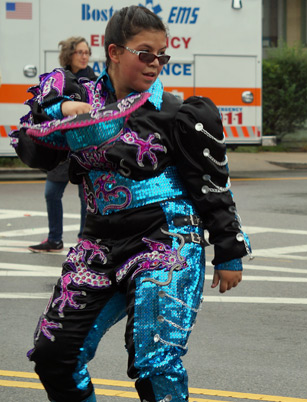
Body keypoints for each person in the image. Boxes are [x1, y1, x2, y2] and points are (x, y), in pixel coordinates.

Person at [10, 6, 251, 402]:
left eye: (162, 55)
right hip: (99, 245)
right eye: (145, 53)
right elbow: (35, 146)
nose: (156, 64)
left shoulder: (178, 114)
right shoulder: (80, 102)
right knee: (55, 355)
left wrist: (229, 250)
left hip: (166, 241)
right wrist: (59, 110)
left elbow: (211, 186)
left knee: (155, 358)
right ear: (115, 52)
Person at [28, 37, 97, 252]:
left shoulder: (94, 79)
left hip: (84, 146)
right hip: (62, 147)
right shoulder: (59, 79)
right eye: (80, 52)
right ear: (70, 54)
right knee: (51, 193)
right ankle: (54, 239)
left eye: (87, 52)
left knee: (86, 198)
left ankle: (84, 241)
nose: (85, 56)